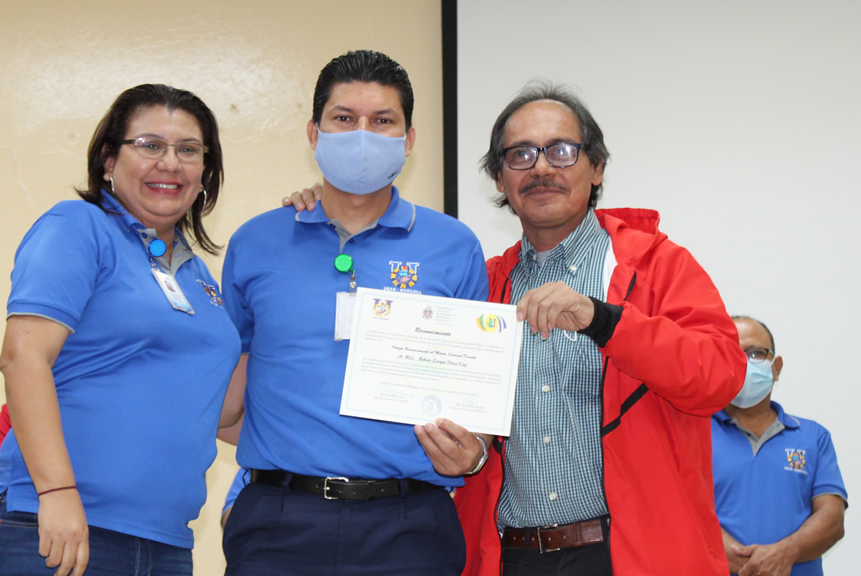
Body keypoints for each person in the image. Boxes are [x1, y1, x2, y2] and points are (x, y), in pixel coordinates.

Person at [453, 83, 746, 575]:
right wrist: (469, 451)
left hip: (628, 555)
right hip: (511, 555)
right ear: (500, 180)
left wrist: (604, 320)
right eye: (521, 154)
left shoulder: (658, 266)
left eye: (562, 151)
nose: (542, 167)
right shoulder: (482, 285)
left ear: (597, 167)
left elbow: (720, 377)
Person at [220, 50, 489, 576]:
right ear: (314, 133)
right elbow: (226, 389)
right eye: (344, 119)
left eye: (382, 121)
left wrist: (472, 451)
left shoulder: (454, 246)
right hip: (277, 524)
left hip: (411, 526)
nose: (362, 134)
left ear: (409, 140)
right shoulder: (256, 242)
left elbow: (473, 394)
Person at [0, 83, 242, 576]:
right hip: (58, 524)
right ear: (107, 160)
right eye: (150, 145)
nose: (170, 162)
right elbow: (23, 358)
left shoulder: (201, 279)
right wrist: (56, 493)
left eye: (188, 150)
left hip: (166, 543)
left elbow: (222, 415)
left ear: (205, 171)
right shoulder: (79, 226)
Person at [714, 316, 847, 576]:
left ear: (776, 368)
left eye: (756, 353)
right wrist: (753, 566)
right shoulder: (691, 436)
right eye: (732, 353)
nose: (745, 362)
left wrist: (786, 552)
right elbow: (678, 514)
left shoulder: (813, 437)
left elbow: (832, 520)